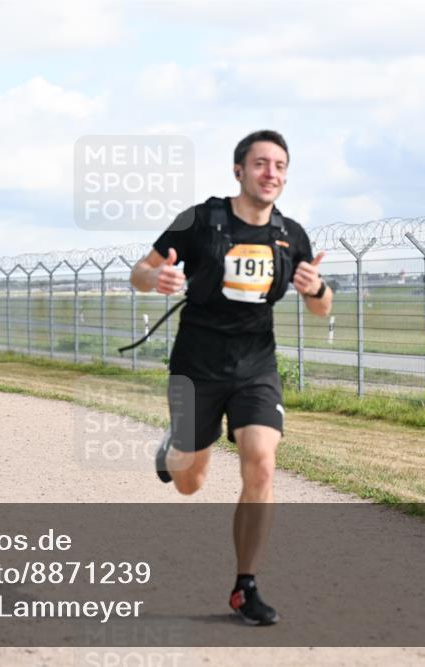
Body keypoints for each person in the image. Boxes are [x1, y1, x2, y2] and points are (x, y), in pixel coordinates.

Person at [130, 130, 332, 626]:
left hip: (256, 367)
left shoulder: (292, 235)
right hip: (197, 367)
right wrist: (157, 279)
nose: (272, 173)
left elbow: (322, 308)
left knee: (261, 464)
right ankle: (178, 447)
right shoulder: (199, 220)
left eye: (280, 165)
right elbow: (139, 270)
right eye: (261, 163)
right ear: (238, 170)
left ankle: (246, 586)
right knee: (190, 483)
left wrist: (317, 288)